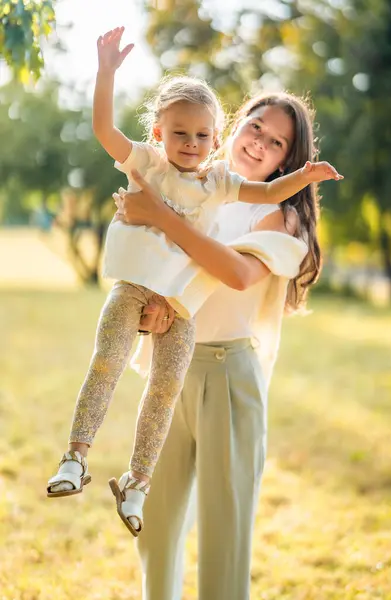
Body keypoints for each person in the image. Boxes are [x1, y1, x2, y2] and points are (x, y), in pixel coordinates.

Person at [47, 25, 342, 539]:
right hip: (138, 295)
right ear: (159, 133)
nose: (192, 143)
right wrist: (106, 74)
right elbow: (103, 129)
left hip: (204, 338)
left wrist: (304, 177)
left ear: (214, 134)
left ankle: (136, 483)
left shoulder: (227, 189)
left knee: (163, 395)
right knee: (107, 363)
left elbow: (258, 215)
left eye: (201, 135)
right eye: (180, 133)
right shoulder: (151, 164)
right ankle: (75, 457)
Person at [113, 90, 326, 600]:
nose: (260, 143)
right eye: (256, 127)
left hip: (229, 379)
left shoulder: (279, 219)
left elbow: (233, 273)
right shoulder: (195, 191)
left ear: (286, 162)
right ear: (235, 124)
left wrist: (158, 216)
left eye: (277, 143)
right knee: (156, 525)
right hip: (172, 367)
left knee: (223, 535)